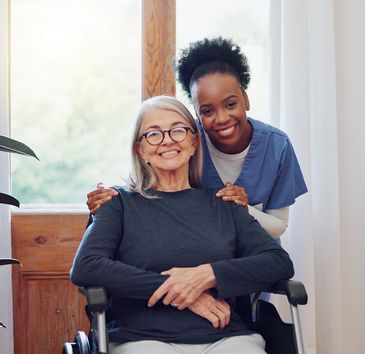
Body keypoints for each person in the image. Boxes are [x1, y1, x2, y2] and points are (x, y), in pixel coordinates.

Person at [71, 95, 294, 354]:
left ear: (193, 142)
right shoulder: (117, 203)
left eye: (178, 130)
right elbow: (87, 266)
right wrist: (181, 292)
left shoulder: (224, 203)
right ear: (140, 149)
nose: (167, 140)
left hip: (227, 339)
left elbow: (278, 263)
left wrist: (207, 275)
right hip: (143, 340)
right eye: (153, 134)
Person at [85, 37, 307, 240]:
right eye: (207, 111)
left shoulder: (277, 146)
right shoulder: (185, 142)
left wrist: (243, 207)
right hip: (201, 253)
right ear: (196, 113)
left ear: (246, 100)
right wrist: (110, 199)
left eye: (231, 104)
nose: (221, 118)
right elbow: (150, 189)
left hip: (256, 257)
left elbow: (279, 224)